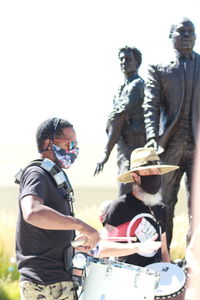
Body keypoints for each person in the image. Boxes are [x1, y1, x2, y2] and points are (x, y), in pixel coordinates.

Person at [15, 117, 100, 300]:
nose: (74, 150)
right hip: (42, 284)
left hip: (60, 279)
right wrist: (80, 225)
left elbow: (48, 230)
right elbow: (32, 213)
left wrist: (74, 244)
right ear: (48, 143)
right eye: (70, 144)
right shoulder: (36, 173)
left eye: (76, 145)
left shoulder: (54, 178)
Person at [143, 17, 200, 247]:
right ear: (171, 37)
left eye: (191, 31)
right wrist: (151, 138)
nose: (186, 35)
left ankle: (194, 260)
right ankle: (161, 256)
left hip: (197, 146)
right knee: (163, 202)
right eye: (181, 31)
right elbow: (151, 106)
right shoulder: (158, 69)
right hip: (169, 144)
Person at [99, 147, 179, 267]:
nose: (154, 175)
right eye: (148, 171)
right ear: (135, 176)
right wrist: (137, 247)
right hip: (126, 278)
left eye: (156, 171)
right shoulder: (120, 206)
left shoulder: (161, 209)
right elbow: (104, 249)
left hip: (155, 278)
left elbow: (164, 253)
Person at [94, 46, 145, 196]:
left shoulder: (137, 85)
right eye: (121, 59)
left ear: (137, 63)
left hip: (135, 147)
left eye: (128, 59)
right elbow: (114, 120)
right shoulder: (120, 89)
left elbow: (118, 117)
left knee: (127, 189)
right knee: (125, 189)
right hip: (123, 146)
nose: (123, 62)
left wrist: (105, 153)